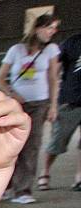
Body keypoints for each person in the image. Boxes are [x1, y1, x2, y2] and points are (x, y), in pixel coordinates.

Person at [0, 13, 60, 203]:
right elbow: (0, 78)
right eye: (49, 28)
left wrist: (53, 105)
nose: (52, 32)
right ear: (37, 28)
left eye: (54, 28)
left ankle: (23, 191)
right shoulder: (16, 50)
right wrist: (11, 93)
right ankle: (6, 186)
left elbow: (53, 79)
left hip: (39, 104)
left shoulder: (51, 51)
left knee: (32, 146)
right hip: (16, 104)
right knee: (10, 146)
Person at [40, 31, 81, 191]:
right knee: (58, 141)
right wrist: (52, 103)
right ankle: (45, 172)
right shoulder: (72, 42)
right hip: (70, 100)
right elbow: (53, 72)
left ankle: (79, 178)